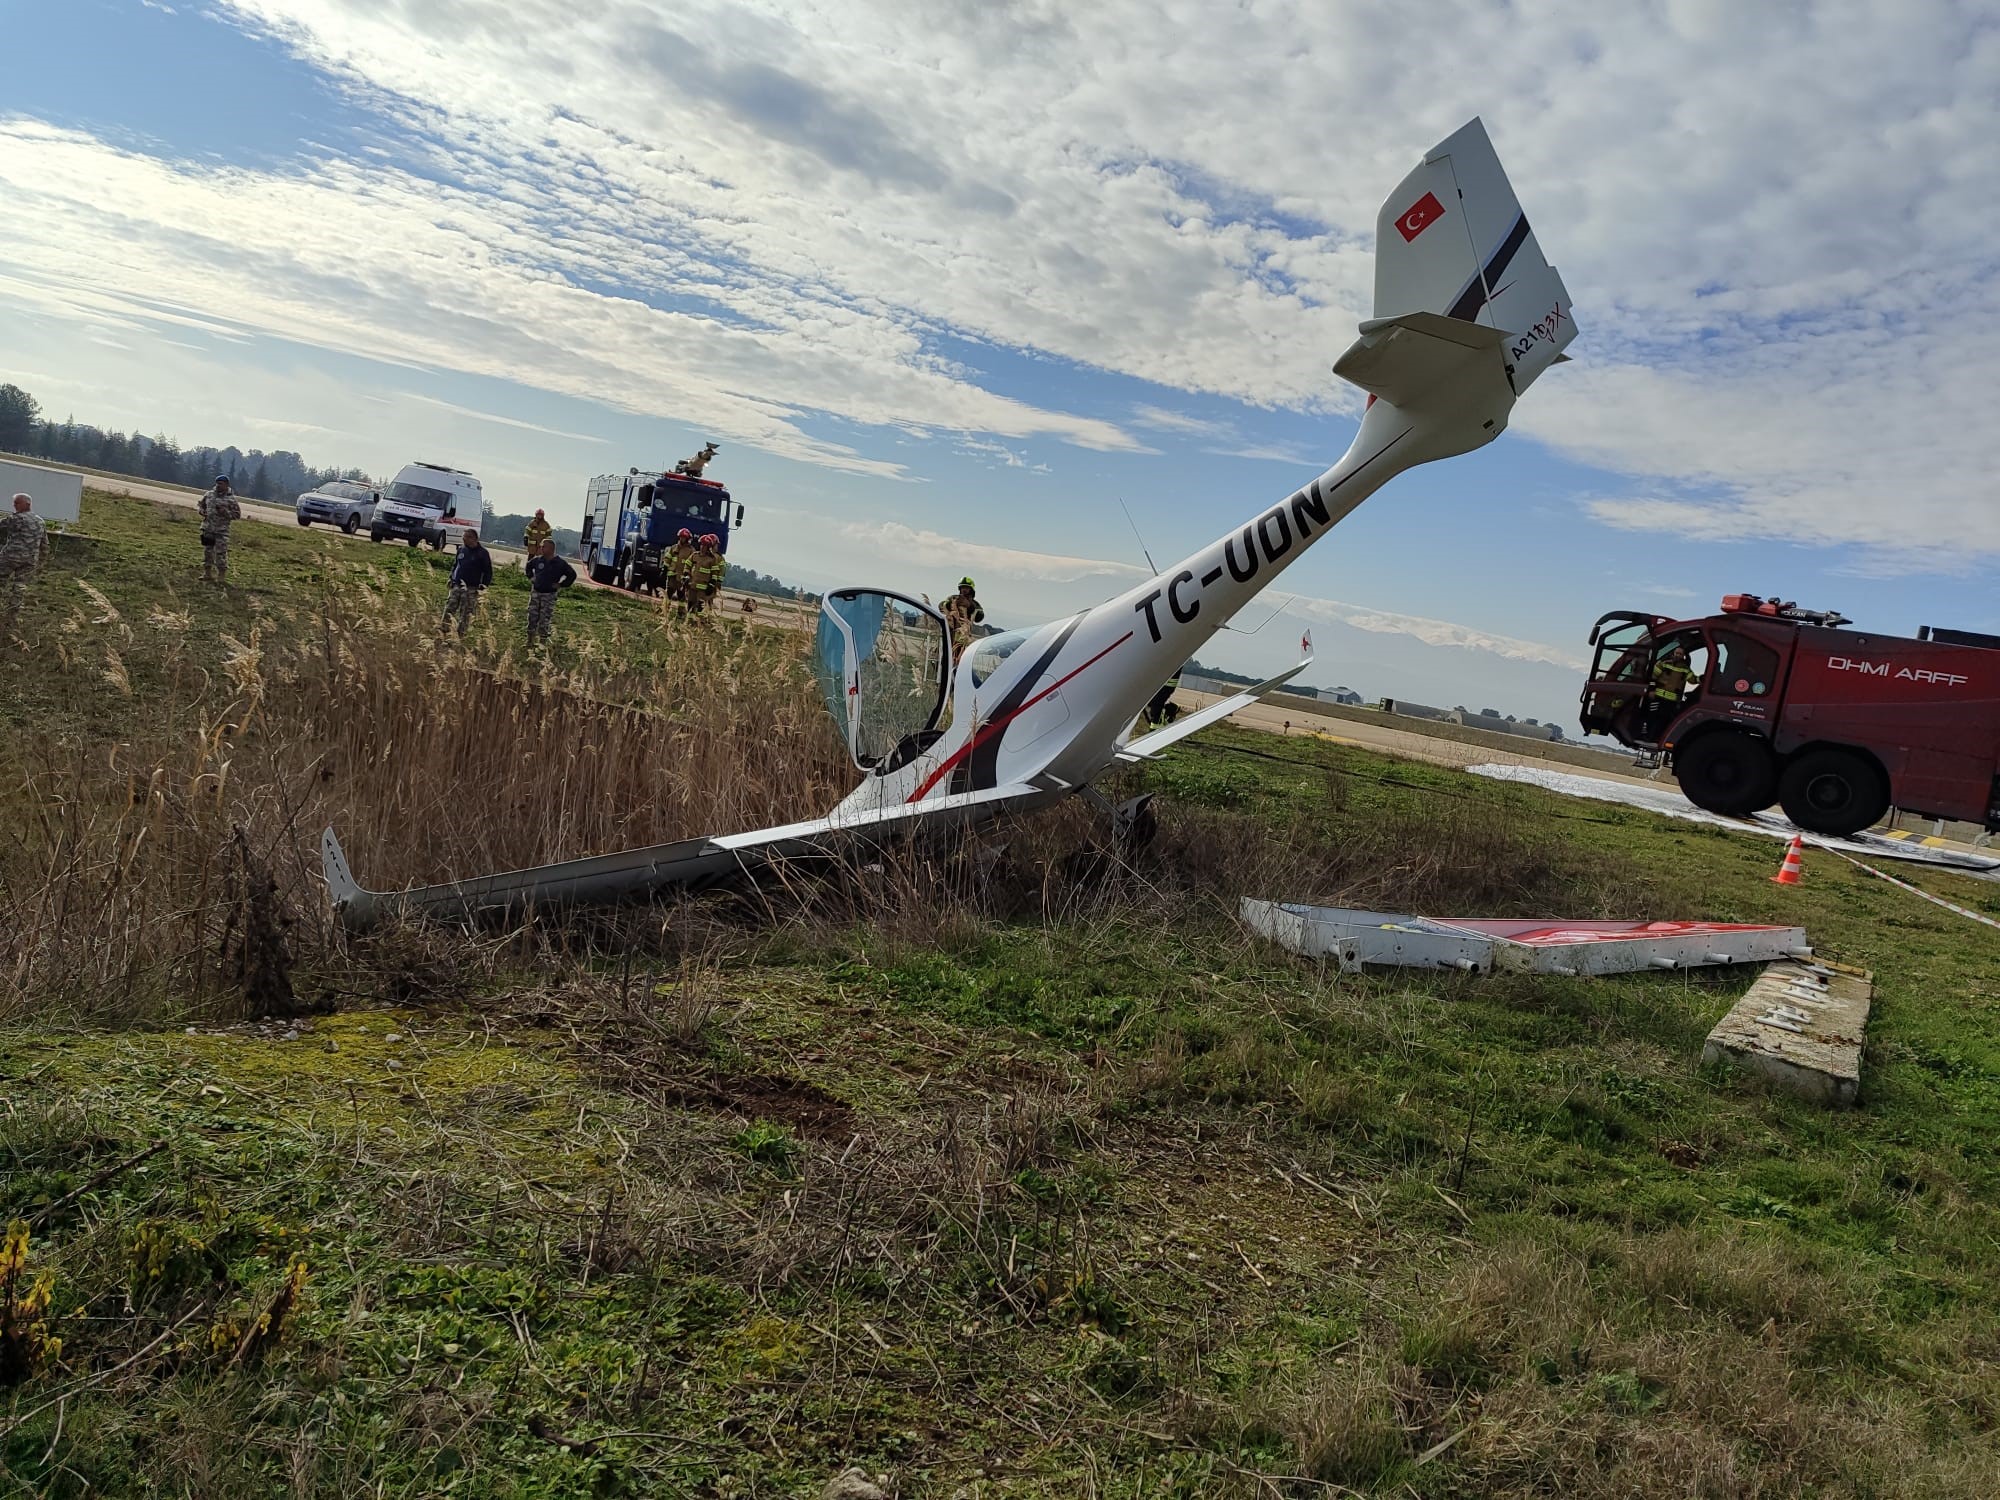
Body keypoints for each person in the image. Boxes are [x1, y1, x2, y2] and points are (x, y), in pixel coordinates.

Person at [0, 492, 49, 634]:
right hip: (30, 560)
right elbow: (45, 543)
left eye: (17, 503)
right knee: (20, 587)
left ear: (27, 504)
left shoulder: (17, 518)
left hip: (11, 557)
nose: (14, 506)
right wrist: (41, 562)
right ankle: (12, 617)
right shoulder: (40, 521)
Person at [439, 531, 492, 639]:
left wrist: (483, 587)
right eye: (463, 538)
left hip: (471, 588)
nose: (464, 540)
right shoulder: (461, 550)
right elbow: (456, 565)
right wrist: (451, 578)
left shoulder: (482, 553)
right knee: (449, 608)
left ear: (474, 539)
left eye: (466, 538)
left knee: (465, 613)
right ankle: (444, 631)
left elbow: (488, 572)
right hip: (457, 585)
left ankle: (459, 635)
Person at [524, 538, 576, 645]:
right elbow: (528, 566)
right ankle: (529, 641)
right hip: (536, 593)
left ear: (551, 549)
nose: (541, 548)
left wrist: (561, 584)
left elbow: (572, 575)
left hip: (549, 595)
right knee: (532, 617)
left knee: (544, 619)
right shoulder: (538, 560)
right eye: (541, 546)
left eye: (544, 546)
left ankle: (542, 643)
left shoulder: (560, 563)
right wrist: (531, 577)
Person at [1641, 642, 1698, 740]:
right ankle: (1646, 736)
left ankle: (1656, 738)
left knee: (1664, 720)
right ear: (1673, 653)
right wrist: (1651, 690)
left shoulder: (1685, 669)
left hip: (1671, 701)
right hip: (1657, 696)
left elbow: (1692, 680)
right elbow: (1653, 677)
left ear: (1683, 656)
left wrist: (1702, 679)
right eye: (1677, 653)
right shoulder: (1663, 663)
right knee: (1651, 717)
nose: (1678, 655)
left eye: (1680, 654)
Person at [197, 475, 242, 584]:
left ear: (227, 485)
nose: (218, 485)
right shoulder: (209, 495)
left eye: (221, 483)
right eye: (217, 483)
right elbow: (201, 505)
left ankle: (221, 576)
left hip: (221, 532)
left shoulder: (231, 499)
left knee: (221, 553)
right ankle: (207, 573)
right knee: (208, 551)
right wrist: (201, 511)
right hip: (208, 529)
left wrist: (225, 512)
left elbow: (237, 515)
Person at [942, 576, 985, 655]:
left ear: (971, 590)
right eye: (962, 587)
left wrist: (970, 607)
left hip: (964, 635)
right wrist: (951, 604)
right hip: (950, 632)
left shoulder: (975, 604)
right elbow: (942, 606)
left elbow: (980, 617)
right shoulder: (953, 598)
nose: (964, 590)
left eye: (966, 588)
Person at [688, 533, 726, 617]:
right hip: (700, 584)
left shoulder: (716, 558)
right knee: (696, 601)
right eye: (716, 545)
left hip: (710, 584)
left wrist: (715, 583)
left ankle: (704, 618)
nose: (717, 547)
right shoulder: (702, 556)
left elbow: (720, 571)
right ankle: (699, 618)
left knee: (706, 602)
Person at [1143, 662, 1188, 727]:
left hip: (1165, 683)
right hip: (1165, 683)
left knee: (1156, 703)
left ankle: (1158, 723)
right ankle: (1158, 722)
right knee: (1155, 702)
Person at [665, 528, 698, 609]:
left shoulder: (691, 550)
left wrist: (690, 575)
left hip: (683, 577)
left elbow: (694, 564)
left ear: (687, 539)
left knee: (681, 594)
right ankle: (665, 608)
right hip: (672, 574)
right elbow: (667, 558)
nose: (682, 539)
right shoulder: (673, 547)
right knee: (669, 592)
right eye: (681, 537)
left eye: (684, 537)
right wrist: (664, 568)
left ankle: (680, 612)